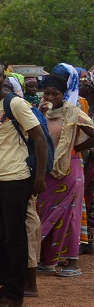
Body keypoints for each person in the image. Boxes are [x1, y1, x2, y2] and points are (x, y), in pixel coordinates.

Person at [0, 59, 48, 307]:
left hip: (16, 179)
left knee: (15, 238)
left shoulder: (15, 103)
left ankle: (15, 294)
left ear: (4, 78)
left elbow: (39, 138)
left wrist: (39, 177)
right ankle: (5, 286)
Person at [38, 68, 94, 275]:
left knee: (70, 213)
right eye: (47, 93)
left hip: (69, 169)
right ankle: (48, 261)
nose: (51, 97)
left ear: (64, 94)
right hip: (47, 170)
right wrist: (41, 114)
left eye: (55, 93)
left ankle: (72, 262)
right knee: (45, 212)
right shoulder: (40, 110)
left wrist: (76, 148)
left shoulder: (73, 111)